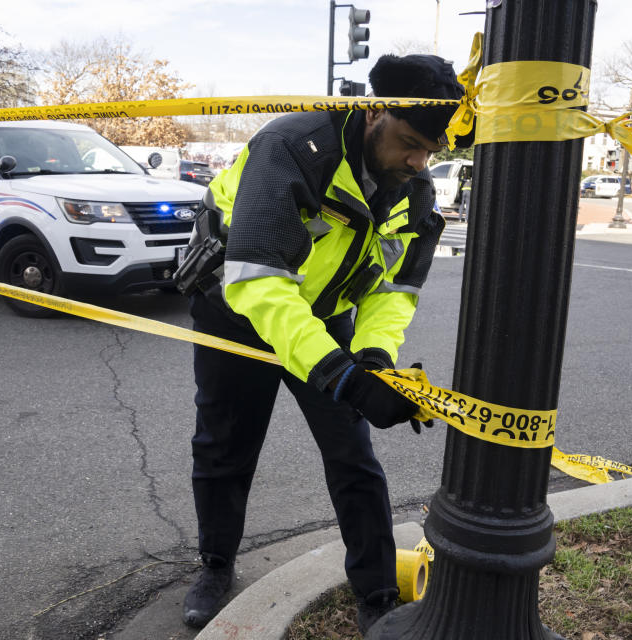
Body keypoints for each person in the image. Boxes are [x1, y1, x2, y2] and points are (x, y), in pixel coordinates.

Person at [173, 54, 474, 636]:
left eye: (430, 151)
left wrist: (374, 360)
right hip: (236, 308)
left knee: (353, 455)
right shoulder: (291, 147)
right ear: (371, 113)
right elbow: (258, 281)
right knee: (224, 445)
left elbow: (394, 287)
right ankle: (215, 565)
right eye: (409, 142)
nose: (418, 162)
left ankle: (378, 592)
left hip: (325, 317)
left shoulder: (413, 186)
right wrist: (341, 375)